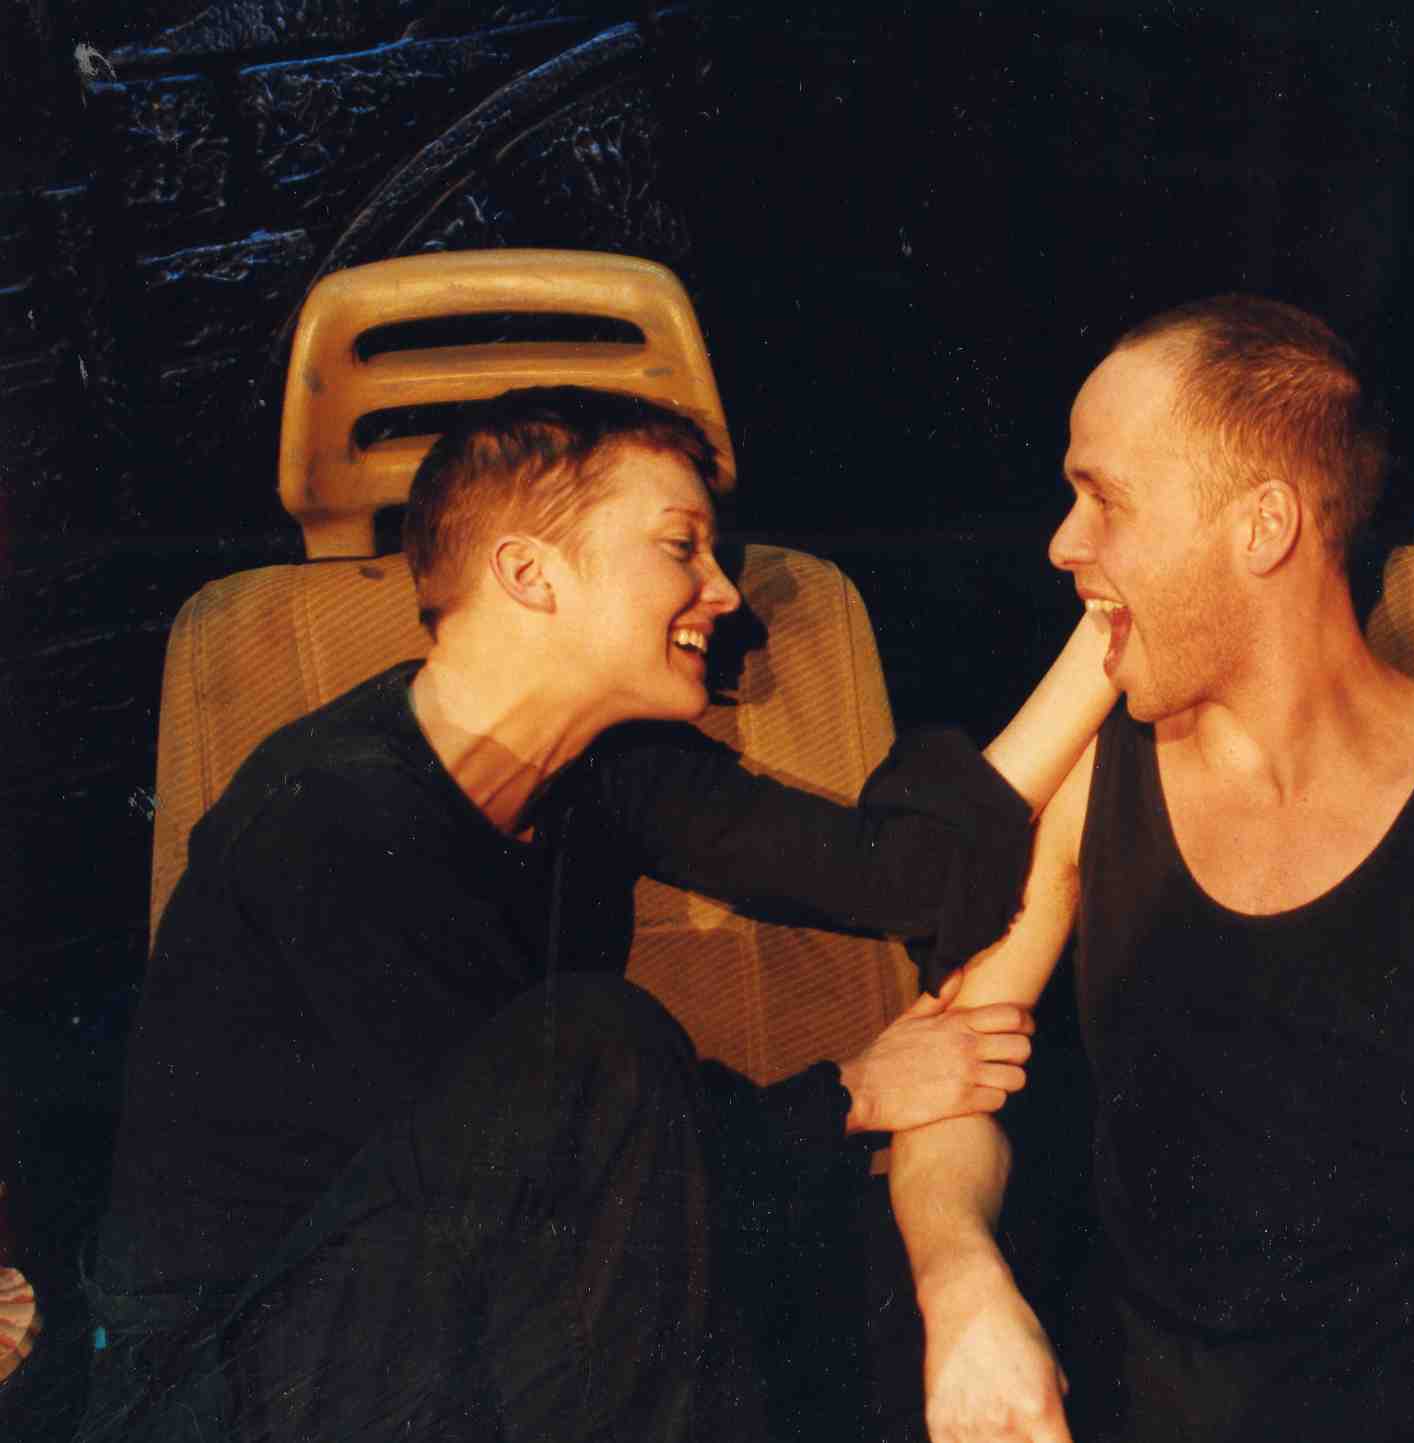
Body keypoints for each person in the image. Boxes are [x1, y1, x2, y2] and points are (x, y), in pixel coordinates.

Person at [79, 385, 1118, 1442]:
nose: (725, 592)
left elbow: (899, 871)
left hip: (448, 1318)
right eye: (680, 546)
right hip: (227, 1386)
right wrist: (850, 1093)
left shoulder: (601, 766)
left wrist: (1112, 626)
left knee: (878, 1283)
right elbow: (534, 1169)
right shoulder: (328, 819)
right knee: (599, 1046)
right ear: (529, 573)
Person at [889, 297, 1414, 1443]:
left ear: (1263, 526)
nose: (1063, 543)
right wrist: (962, 1281)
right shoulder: (1090, 774)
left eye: (1105, 499)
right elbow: (945, 1084)